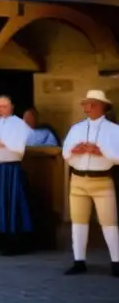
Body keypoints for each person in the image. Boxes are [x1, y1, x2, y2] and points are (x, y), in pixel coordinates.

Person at [61, 90, 119, 277]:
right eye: (86, 104)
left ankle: (116, 262)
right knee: (78, 222)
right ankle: (79, 261)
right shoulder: (76, 128)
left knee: (109, 223)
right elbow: (65, 154)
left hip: (102, 180)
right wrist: (74, 150)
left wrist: (101, 152)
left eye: (92, 104)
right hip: (78, 180)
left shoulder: (114, 130)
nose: (88, 108)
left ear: (103, 106)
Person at [0, 95, 34, 255]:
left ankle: (15, 243)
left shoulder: (19, 124)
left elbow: (22, 143)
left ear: (11, 107)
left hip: (12, 169)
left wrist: (3, 143)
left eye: (3, 106)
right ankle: (1, 241)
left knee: (13, 204)